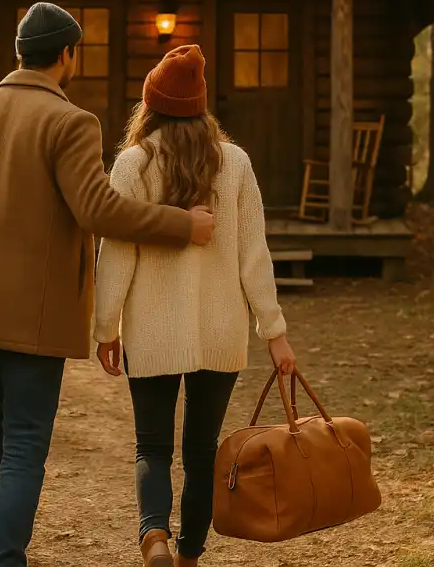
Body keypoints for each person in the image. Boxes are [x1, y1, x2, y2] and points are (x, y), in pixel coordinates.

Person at [0, 3, 215, 567]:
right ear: (67, 54)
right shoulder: (71, 122)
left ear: (20, 51)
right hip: (35, 318)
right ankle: (2, 558)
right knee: (23, 445)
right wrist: (182, 225)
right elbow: (98, 210)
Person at [94, 44, 297, 567]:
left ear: (151, 105)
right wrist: (274, 331)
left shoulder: (133, 164)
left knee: (152, 446)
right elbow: (255, 256)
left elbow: (116, 252)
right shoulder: (235, 163)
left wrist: (106, 326)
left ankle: (154, 535)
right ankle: (188, 557)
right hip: (221, 329)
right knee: (202, 451)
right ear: (203, 105)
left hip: (151, 331)